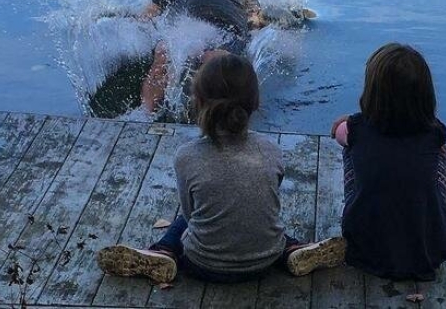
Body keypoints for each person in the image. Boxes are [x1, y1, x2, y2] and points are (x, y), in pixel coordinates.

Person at [97, 53, 345, 283]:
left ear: (199, 101)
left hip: (204, 265)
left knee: (186, 218)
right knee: (259, 216)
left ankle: (164, 251)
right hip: (264, 261)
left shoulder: (187, 156)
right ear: (255, 103)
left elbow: (191, 214)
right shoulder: (271, 150)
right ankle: (291, 248)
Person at [330, 42, 446, 281]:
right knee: (441, 152)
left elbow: (337, 131)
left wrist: (348, 121)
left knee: (349, 149)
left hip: (364, 249)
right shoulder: (434, 133)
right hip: (431, 250)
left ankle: (361, 202)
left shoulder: (358, 129)